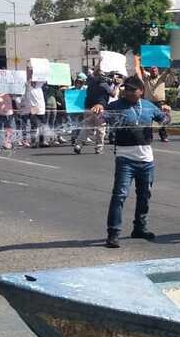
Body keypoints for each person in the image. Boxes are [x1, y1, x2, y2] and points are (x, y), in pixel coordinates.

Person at [102, 75, 171, 248]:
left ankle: (139, 228)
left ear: (141, 91)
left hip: (146, 159)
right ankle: (113, 233)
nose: (128, 92)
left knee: (144, 195)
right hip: (125, 158)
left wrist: (166, 114)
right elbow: (100, 118)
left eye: (132, 89)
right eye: (126, 89)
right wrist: (97, 109)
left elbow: (164, 121)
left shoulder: (148, 106)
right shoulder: (115, 106)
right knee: (119, 195)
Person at [73, 67, 115, 154]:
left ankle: (78, 144)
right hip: (99, 108)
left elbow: (94, 73)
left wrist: (99, 62)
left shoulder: (90, 81)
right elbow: (113, 94)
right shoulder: (104, 84)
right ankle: (99, 147)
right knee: (100, 128)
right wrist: (117, 85)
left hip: (88, 107)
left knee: (86, 127)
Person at [140, 65, 170, 143]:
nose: (154, 72)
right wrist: (141, 63)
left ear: (158, 71)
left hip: (160, 103)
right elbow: (141, 69)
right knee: (148, 121)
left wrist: (170, 63)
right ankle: (148, 137)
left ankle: (163, 136)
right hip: (148, 103)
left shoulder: (161, 78)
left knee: (162, 120)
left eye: (155, 70)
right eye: (152, 71)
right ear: (150, 72)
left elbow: (168, 71)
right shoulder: (146, 78)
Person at [0, 83, 15, 150]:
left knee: (8, 129)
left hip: (8, 112)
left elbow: (15, 95)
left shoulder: (8, 88)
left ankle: (6, 143)